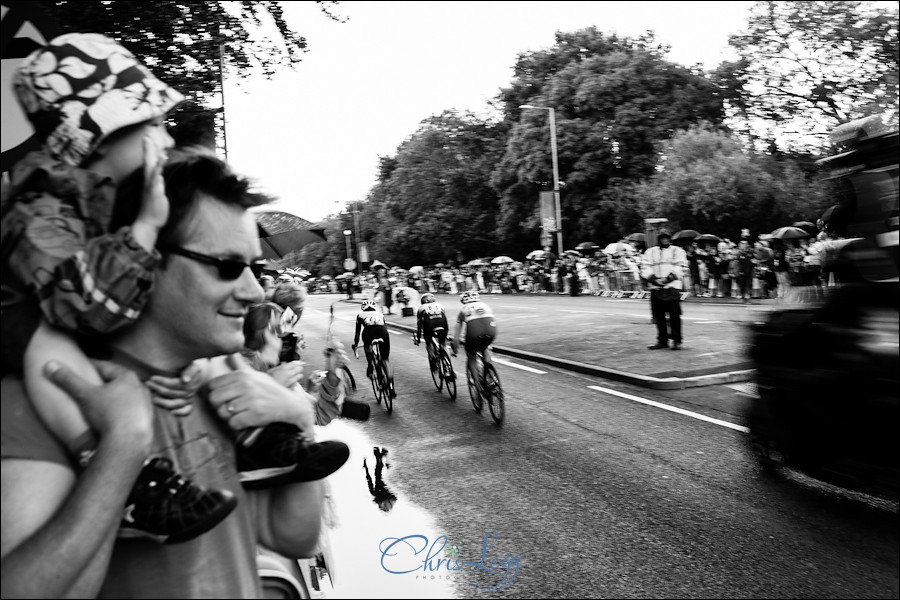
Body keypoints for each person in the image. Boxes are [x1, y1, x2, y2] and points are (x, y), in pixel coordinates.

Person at [2, 148, 335, 597]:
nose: (255, 291)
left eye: (254, 268)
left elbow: (290, 535)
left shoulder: (222, 385)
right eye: (228, 267)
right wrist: (121, 447)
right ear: (146, 261)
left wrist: (296, 418)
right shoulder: (49, 395)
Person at [0, 32, 236, 544]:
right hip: (23, 326)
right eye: (153, 124)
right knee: (44, 341)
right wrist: (147, 228)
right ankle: (120, 472)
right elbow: (79, 306)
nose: (167, 140)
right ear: (101, 134)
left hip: (76, 328)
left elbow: (127, 306)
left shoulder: (105, 202)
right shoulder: (38, 204)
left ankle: (254, 429)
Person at [239, 302, 349, 484]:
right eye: (280, 334)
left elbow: (320, 416)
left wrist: (332, 373)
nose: (288, 343)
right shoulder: (242, 374)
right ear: (261, 335)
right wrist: (272, 387)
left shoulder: (280, 374)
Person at [641, 230, 688, 350]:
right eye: (662, 238)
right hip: (656, 287)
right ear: (658, 239)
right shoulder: (650, 252)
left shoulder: (677, 251)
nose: (664, 240)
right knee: (659, 316)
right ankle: (662, 340)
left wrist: (668, 279)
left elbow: (681, 267)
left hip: (672, 287)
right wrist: (654, 279)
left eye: (666, 238)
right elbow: (645, 267)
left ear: (669, 239)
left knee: (674, 316)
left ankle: (677, 340)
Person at [451, 290, 498, 392]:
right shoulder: (485, 305)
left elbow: (457, 336)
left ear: (464, 301)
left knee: (471, 356)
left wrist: (455, 349)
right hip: (491, 331)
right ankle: (490, 375)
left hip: (474, 333)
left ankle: (478, 386)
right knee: (485, 347)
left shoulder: (463, 309)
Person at [352, 298, 397, 398]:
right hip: (383, 333)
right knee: (385, 359)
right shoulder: (380, 314)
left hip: (369, 332)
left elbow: (357, 333)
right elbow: (385, 327)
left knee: (367, 346)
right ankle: (391, 387)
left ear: (363, 308)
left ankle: (370, 367)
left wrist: (355, 345)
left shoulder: (360, 315)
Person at [413, 292, 449, 365]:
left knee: (428, 342)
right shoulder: (440, 305)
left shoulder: (421, 308)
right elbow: (445, 318)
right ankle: (449, 364)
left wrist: (418, 338)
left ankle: (433, 359)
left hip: (429, 325)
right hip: (443, 324)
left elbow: (419, 325)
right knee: (443, 344)